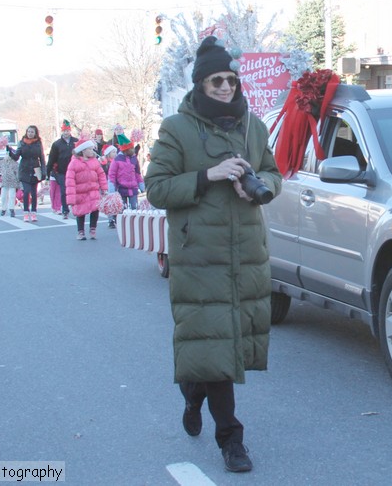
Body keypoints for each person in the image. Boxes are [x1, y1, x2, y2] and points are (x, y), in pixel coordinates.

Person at [145, 35, 282, 473]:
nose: (226, 87)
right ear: (200, 84)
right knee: (214, 343)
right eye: (216, 81)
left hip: (245, 254)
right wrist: (207, 175)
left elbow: (274, 174)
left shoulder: (252, 126)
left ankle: (193, 390)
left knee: (226, 345)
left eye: (231, 79)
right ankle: (231, 440)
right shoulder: (177, 128)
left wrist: (255, 184)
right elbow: (157, 189)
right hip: (199, 258)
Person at [66, 138, 108, 241]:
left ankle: (93, 229)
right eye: (90, 149)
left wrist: (104, 188)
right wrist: (71, 198)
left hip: (93, 190)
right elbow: (70, 181)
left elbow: (101, 175)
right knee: (80, 212)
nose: (92, 151)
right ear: (83, 150)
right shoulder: (74, 163)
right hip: (80, 192)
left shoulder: (94, 162)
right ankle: (81, 231)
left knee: (95, 209)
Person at [10, 124, 47, 222]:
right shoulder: (22, 143)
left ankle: (34, 212)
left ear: (35, 133)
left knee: (34, 193)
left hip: (35, 169)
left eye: (32, 132)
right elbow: (16, 157)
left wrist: (44, 171)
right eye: (29, 132)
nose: (30, 134)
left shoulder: (38, 143)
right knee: (26, 192)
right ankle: (26, 212)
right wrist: (9, 151)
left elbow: (42, 158)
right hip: (24, 170)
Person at [47, 120, 77, 220]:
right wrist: (48, 173)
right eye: (64, 131)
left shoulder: (75, 141)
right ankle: (65, 210)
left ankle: (76, 208)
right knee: (64, 191)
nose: (66, 133)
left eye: (68, 131)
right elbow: (52, 159)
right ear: (62, 131)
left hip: (75, 170)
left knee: (75, 190)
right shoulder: (57, 144)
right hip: (61, 171)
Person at [109, 134, 144, 211]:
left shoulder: (134, 159)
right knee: (122, 209)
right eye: (131, 148)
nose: (133, 150)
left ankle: (133, 223)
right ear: (126, 149)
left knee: (134, 209)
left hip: (133, 189)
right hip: (121, 189)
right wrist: (112, 189)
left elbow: (137, 174)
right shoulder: (117, 160)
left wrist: (141, 186)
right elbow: (112, 175)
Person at [0, 145, 21, 217]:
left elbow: (17, 173)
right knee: (3, 196)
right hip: (4, 182)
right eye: (6, 154)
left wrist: (19, 182)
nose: (7, 156)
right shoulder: (2, 162)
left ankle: (11, 209)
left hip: (13, 182)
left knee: (12, 196)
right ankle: (3, 208)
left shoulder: (15, 163)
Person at [100, 145, 119, 228]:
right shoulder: (104, 162)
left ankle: (116, 217)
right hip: (106, 184)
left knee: (116, 202)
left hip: (116, 184)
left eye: (115, 152)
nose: (115, 153)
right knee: (109, 203)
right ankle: (110, 219)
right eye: (113, 152)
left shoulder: (117, 161)